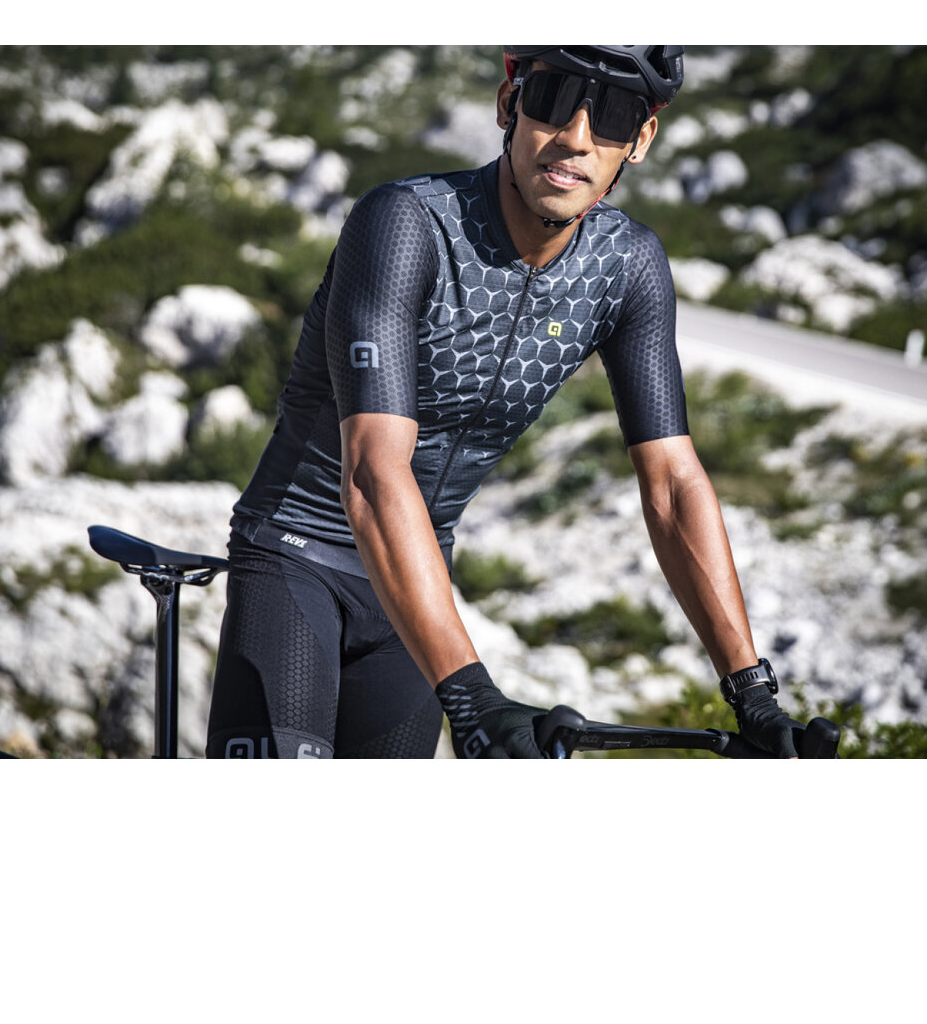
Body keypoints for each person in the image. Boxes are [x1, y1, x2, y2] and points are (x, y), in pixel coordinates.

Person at [205, 45, 805, 759]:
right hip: (296, 556)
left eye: (612, 115)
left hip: (415, 583)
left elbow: (674, 486)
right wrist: (469, 694)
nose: (576, 138)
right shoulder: (405, 224)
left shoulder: (626, 267)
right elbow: (371, 473)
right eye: (554, 100)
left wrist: (752, 693)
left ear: (641, 139)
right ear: (507, 105)